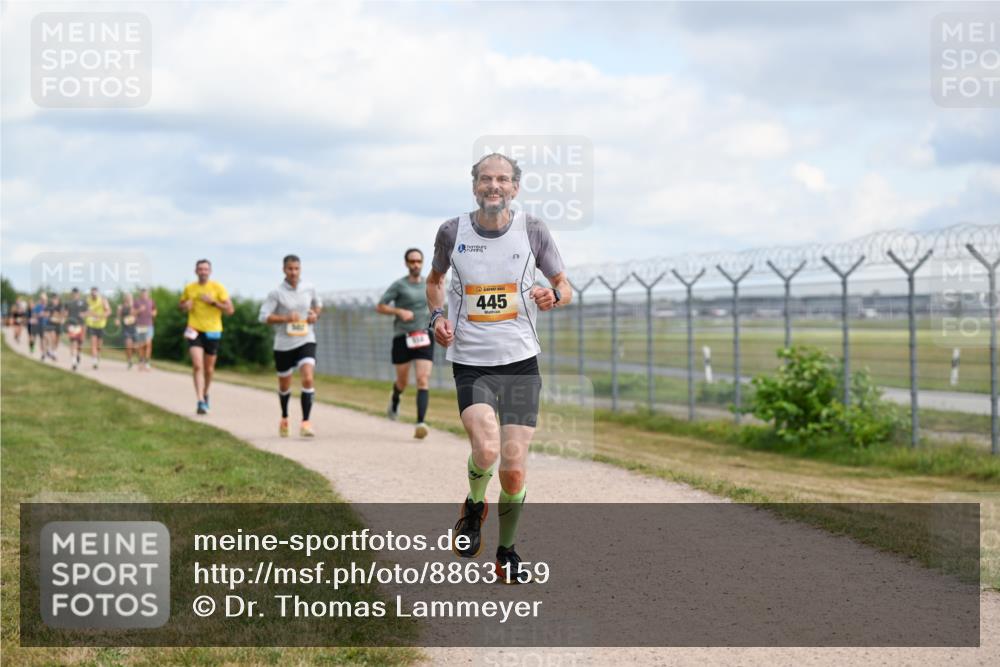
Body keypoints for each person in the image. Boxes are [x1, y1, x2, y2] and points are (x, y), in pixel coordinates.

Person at [426, 153, 571, 584]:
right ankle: (473, 509)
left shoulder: (533, 230)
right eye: (486, 179)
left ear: (515, 188)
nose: (494, 186)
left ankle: (507, 551)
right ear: (474, 187)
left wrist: (555, 296)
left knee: (512, 467)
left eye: (503, 179)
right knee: (486, 449)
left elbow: (564, 284)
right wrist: (436, 318)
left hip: (522, 363)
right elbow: (434, 282)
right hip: (472, 362)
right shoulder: (452, 231)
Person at [258, 255, 322, 437]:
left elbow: (318, 306)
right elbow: (263, 316)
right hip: (284, 344)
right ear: (284, 270)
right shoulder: (276, 293)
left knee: (308, 378)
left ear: (300, 269)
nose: (293, 272)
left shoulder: (309, 288)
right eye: (290, 269)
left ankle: (306, 422)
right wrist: (285, 318)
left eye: (296, 268)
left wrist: (314, 315)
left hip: (306, 338)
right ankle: (285, 416)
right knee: (285, 385)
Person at [376, 248, 434, 439]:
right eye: (412, 261)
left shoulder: (430, 283)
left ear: (423, 262)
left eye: (418, 261)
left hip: (424, 336)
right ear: (406, 263)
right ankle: (395, 397)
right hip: (403, 337)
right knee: (402, 381)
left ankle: (420, 423)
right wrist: (399, 312)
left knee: (422, 379)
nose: (415, 264)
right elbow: (381, 306)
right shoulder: (399, 285)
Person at [179, 259, 234, 414]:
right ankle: (200, 401)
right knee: (197, 365)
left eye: (205, 269)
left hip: (213, 330)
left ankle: (205, 393)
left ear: (210, 271)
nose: (203, 271)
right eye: (200, 269)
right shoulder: (189, 288)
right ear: (196, 271)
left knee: (209, 369)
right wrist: (185, 306)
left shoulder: (218, 288)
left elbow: (230, 310)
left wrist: (214, 303)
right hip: (194, 329)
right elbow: (181, 306)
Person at [83, 287, 111, 370]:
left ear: (97, 293)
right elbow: (85, 312)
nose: (93, 295)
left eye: (95, 293)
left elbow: (108, 311)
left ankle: (98, 355)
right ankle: (94, 361)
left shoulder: (103, 300)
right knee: (93, 344)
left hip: (101, 325)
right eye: (92, 294)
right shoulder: (87, 301)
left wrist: (101, 316)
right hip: (91, 325)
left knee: (99, 346)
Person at [64, 287, 88, 371]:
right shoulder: (68, 303)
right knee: (73, 342)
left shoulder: (83, 303)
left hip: (80, 325)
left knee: (80, 343)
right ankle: (73, 362)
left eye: (76, 293)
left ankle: (78, 354)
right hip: (72, 325)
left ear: (79, 294)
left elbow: (87, 312)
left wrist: (84, 314)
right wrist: (66, 323)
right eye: (74, 293)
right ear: (72, 294)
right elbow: (66, 314)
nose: (75, 295)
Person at [133, 287, 157, 371]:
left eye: (146, 293)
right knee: (141, 344)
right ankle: (141, 360)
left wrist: (153, 313)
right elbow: (132, 313)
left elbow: (155, 311)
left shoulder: (151, 301)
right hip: (140, 326)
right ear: (140, 294)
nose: (144, 295)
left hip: (149, 325)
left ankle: (147, 362)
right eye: (143, 293)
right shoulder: (137, 302)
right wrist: (139, 310)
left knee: (148, 343)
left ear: (148, 294)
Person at [117, 292, 138, 369]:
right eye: (127, 297)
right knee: (128, 345)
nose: (129, 299)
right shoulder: (121, 307)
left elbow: (136, 315)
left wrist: (133, 307)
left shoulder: (134, 306)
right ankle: (129, 361)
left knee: (135, 347)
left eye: (130, 297)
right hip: (126, 329)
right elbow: (118, 316)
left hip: (134, 328)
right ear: (125, 299)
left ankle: (131, 356)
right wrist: (118, 321)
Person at [44, 293, 65, 362]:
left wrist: (60, 317)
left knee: (57, 341)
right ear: (52, 299)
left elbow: (62, 315)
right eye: (54, 299)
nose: (55, 300)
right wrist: (51, 316)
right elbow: (46, 314)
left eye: (56, 299)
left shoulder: (61, 306)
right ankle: (50, 352)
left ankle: (53, 352)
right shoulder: (49, 306)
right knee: (53, 338)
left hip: (58, 325)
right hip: (51, 325)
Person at [30, 293, 49, 359]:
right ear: (40, 299)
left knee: (43, 339)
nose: (44, 300)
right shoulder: (37, 307)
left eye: (45, 299)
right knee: (33, 338)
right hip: (36, 325)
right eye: (42, 299)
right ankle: (32, 348)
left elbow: (48, 315)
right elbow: (34, 315)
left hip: (43, 325)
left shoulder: (47, 307)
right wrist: (39, 315)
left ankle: (43, 354)